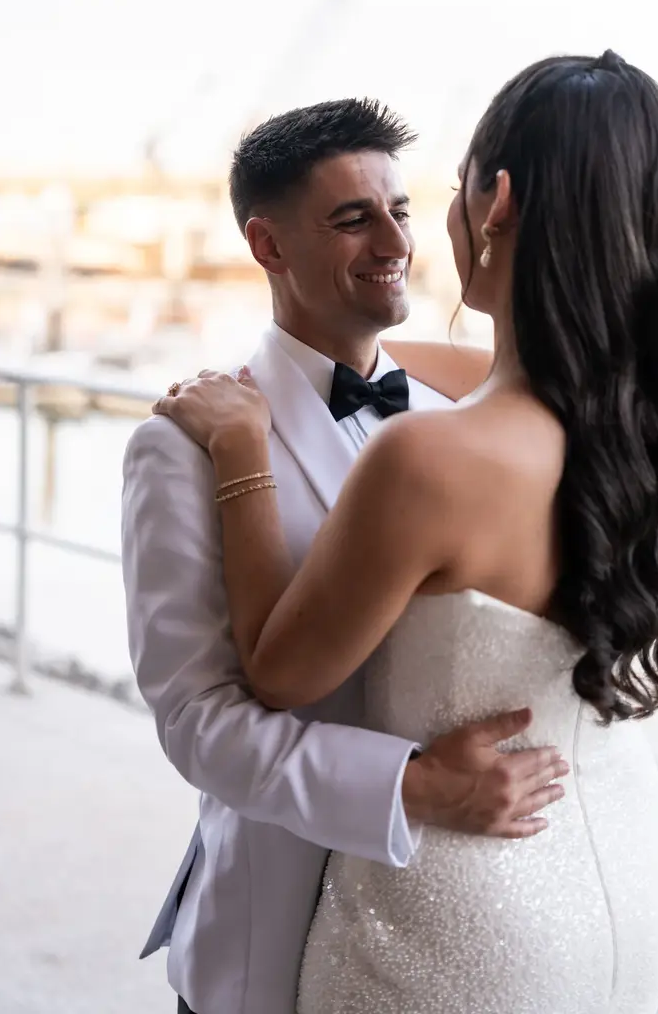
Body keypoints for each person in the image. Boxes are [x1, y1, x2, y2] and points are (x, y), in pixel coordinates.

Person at [155, 52, 658, 1014]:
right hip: (621, 879)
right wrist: (312, 355)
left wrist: (241, 452)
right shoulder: (651, 418)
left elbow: (273, 672)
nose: (402, 231)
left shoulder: (429, 459)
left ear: (496, 198)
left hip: (461, 917)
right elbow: (411, 360)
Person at [122, 98, 569, 1014]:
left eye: (400, 211)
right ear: (268, 246)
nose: (393, 241)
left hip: (441, 924)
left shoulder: (457, 424)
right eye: (351, 219)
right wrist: (410, 788)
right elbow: (196, 722)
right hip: (273, 925)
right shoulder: (181, 447)